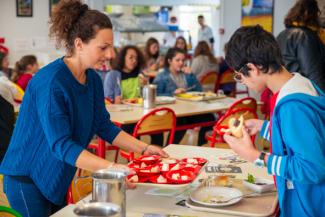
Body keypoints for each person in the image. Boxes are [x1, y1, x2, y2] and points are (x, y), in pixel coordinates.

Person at [0, 1, 168, 216]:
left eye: (111, 47)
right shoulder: (51, 82)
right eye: (103, 47)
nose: (110, 54)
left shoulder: (93, 79)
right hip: (26, 178)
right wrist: (111, 167)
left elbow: (103, 126)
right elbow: (61, 145)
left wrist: (143, 149)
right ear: (79, 44)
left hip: (57, 174)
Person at [223, 25, 325, 217]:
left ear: (252, 68)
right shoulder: (300, 82)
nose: (242, 81)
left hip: (308, 206)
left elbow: (312, 168)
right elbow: (306, 136)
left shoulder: (292, 105)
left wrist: (255, 156)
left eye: (239, 75)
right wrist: (265, 127)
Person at [153, 47, 215, 145]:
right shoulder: (162, 76)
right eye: (177, 60)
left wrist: (191, 75)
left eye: (183, 60)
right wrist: (173, 94)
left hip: (187, 111)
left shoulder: (186, 74)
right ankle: (168, 148)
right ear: (169, 61)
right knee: (181, 122)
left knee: (209, 118)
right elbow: (155, 95)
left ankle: (202, 146)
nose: (181, 63)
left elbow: (199, 90)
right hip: (173, 113)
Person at [277, 0, 325, 91]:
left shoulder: (282, 34)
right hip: (305, 92)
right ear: (312, 14)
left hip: (286, 90)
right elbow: (313, 73)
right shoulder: (304, 36)